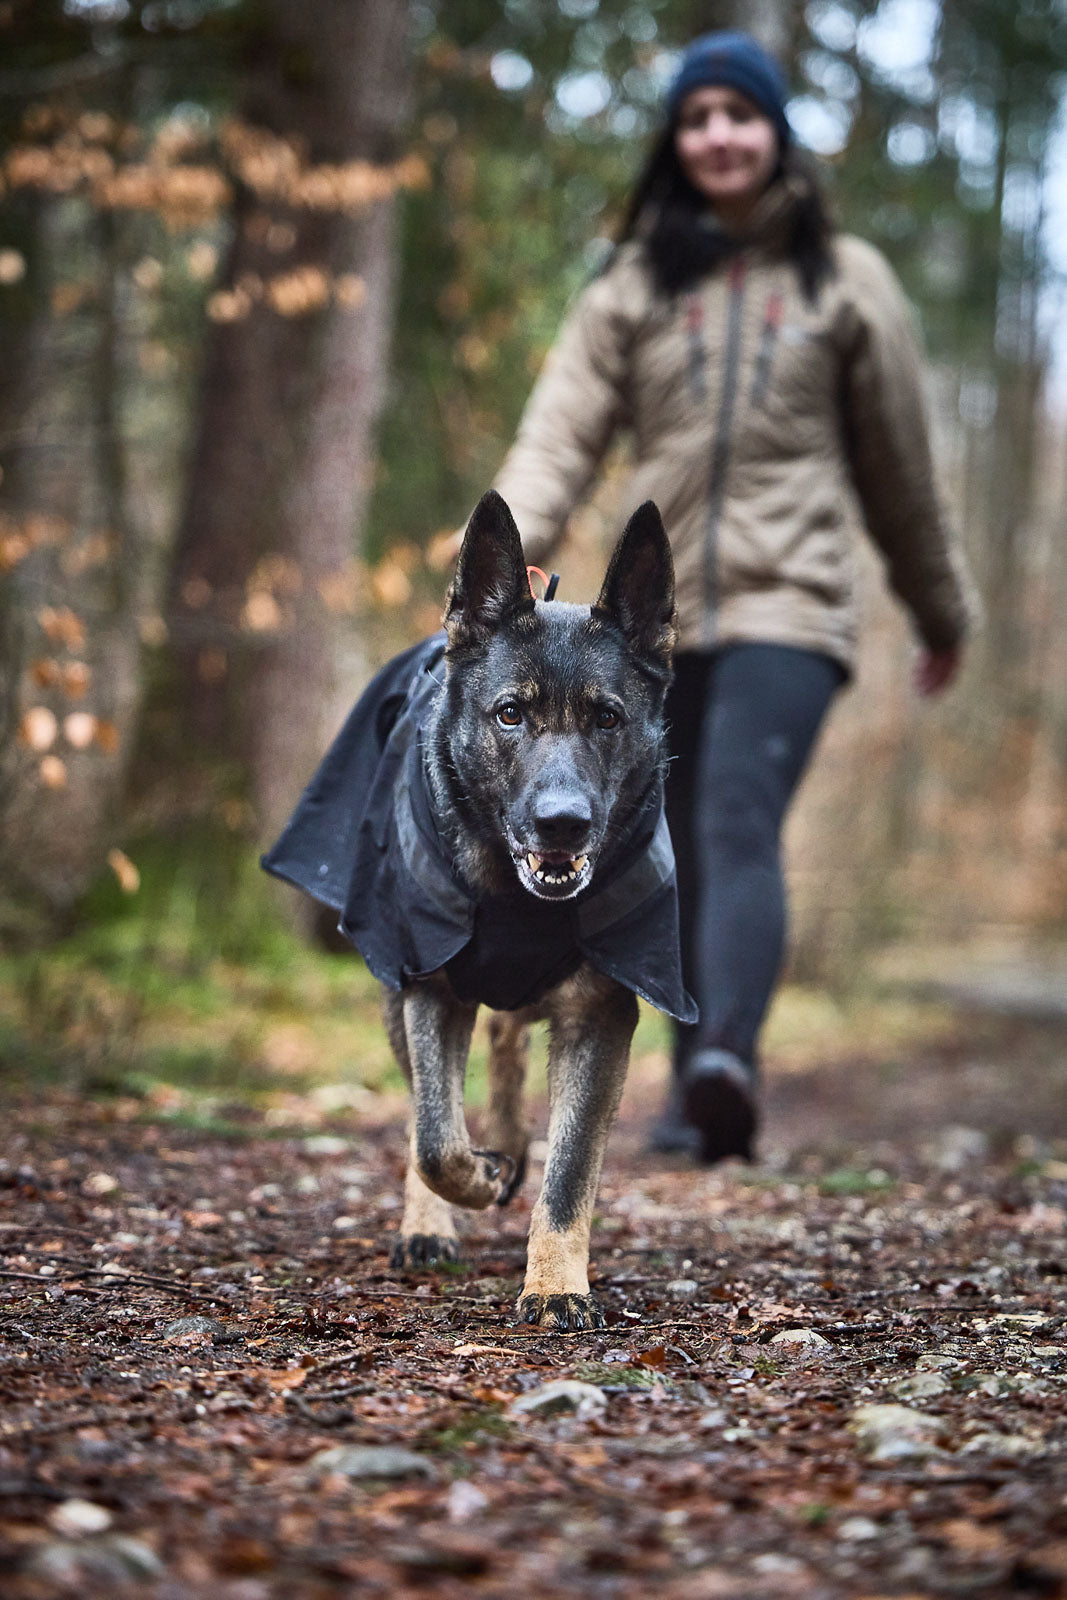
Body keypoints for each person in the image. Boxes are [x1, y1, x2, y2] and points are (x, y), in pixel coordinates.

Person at [481, 31, 979, 1163]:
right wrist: (506, 570)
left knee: (732, 820)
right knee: (656, 836)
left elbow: (899, 469)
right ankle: (682, 1086)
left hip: (791, 607)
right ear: (675, 138)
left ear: (773, 131)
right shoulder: (630, 281)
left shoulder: (848, 283)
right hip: (646, 630)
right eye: (695, 116)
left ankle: (722, 1060)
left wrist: (940, 611)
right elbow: (558, 433)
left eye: (737, 114)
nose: (716, 135)